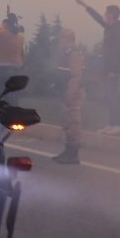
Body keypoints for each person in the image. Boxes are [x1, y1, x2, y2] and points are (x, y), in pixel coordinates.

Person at [69, 0, 120, 134]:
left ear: (112, 15)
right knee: (109, 96)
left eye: (106, 13)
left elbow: (118, 52)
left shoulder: (117, 31)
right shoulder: (110, 27)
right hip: (108, 68)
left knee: (113, 96)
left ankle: (119, 125)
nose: (104, 15)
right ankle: (111, 123)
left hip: (113, 70)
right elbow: (97, 17)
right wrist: (84, 5)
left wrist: (114, 70)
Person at [53, 27, 85, 164]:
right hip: (67, 91)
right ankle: (68, 151)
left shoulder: (74, 54)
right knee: (67, 122)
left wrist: (70, 94)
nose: (59, 42)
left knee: (73, 123)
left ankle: (72, 154)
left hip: (73, 93)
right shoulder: (67, 53)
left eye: (61, 39)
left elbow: (76, 76)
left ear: (66, 40)